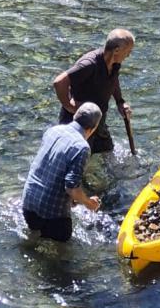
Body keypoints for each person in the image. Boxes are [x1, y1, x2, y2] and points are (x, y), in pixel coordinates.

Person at [22, 102, 102, 241]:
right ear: (93, 128)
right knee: (61, 256)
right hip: (52, 214)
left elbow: (51, 169)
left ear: (75, 116)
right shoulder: (82, 147)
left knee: (33, 240)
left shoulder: (53, 131)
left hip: (28, 203)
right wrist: (89, 203)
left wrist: (73, 200)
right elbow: (71, 188)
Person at [53, 29, 134, 154]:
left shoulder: (115, 63)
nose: (129, 55)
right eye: (128, 51)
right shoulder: (89, 64)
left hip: (98, 120)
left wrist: (120, 101)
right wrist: (69, 106)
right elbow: (59, 82)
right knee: (80, 159)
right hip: (80, 123)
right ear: (116, 50)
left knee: (107, 151)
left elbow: (113, 79)